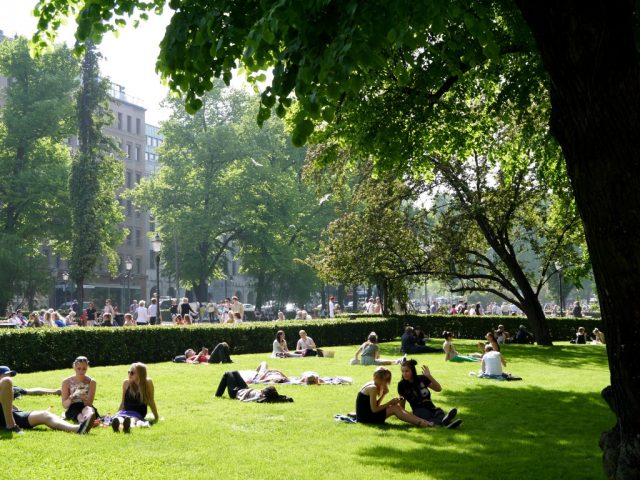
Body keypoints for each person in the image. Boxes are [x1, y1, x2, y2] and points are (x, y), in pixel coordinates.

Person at [1, 366, 96, 435]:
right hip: (8, 420)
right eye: (6, 375)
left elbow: (32, 391)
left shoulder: (13, 388)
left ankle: (78, 429)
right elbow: (6, 382)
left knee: (45, 415)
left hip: (11, 415)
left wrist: (55, 391)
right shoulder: (6, 382)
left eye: (10, 375)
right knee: (7, 381)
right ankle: (11, 426)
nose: (9, 376)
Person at [355, 366, 432, 427]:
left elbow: (375, 405)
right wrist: (389, 402)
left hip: (367, 416)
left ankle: (422, 421)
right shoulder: (373, 388)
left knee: (396, 406)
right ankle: (421, 422)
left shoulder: (372, 384)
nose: (386, 382)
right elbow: (374, 409)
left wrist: (383, 394)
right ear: (379, 378)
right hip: (366, 419)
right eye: (385, 380)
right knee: (394, 408)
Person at [397, 359, 462, 429]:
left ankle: (445, 422)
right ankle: (446, 422)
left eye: (407, 371)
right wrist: (409, 416)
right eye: (403, 371)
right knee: (427, 415)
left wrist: (429, 376)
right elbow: (402, 406)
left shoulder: (421, 379)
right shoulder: (401, 385)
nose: (404, 374)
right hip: (419, 410)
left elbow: (438, 388)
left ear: (412, 371)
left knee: (439, 412)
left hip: (431, 406)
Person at [110, 362, 159, 433]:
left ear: (140, 374)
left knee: (133, 419)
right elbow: (123, 402)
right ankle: (119, 427)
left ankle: (128, 426)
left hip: (138, 412)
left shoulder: (147, 383)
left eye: (132, 373)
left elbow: (151, 401)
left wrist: (156, 417)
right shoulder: (126, 383)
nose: (129, 374)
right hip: (125, 411)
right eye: (129, 372)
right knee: (119, 418)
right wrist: (117, 413)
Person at [61, 356, 97, 423]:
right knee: (77, 412)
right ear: (74, 367)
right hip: (73, 407)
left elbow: (89, 404)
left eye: (84, 369)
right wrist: (70, 398)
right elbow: (64, 405)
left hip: (86, 405)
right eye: (79, 368)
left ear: (87, 367)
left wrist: (84, 398)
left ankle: (88, 420)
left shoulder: (92, 382)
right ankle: (83, 422)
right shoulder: (66, 382)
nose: (81, 371)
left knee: (87, 410)